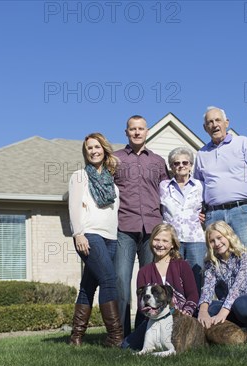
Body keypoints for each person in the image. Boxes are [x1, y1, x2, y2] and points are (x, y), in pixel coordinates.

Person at [193, 106, 247, 335]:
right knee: (217, 269)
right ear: (205, 128)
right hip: (214, 214)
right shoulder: (201, 154)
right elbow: (198, 187)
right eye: (209, 122)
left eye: (217, 120)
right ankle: (235, 326)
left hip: (243, 211)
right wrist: (201, 211)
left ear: (227, 122)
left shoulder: (243, 143)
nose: (214, 125)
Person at [114, 115, 169, 336]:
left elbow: (168, 194)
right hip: (124, 227)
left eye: (141, 129)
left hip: (152, 232)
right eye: (132, 129)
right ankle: (120, 334)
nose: (137, 132)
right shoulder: (115, 160)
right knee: (121, 281)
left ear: (147, 132)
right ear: (126, 132)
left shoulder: (157, 162)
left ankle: (144, 331)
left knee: (150, 283)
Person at [68, 132, 123, 347]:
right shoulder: (80, 176)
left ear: (104, 149)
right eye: (89, 148)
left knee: (88, 286)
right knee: (109, 280)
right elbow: (73, 207)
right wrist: (78, 233)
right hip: (89, 235)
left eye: (97, 147)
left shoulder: (112, 183)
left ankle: (76, 337)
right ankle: (115, 337)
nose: (93, 151)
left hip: (111, 237)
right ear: (86, 153)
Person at [122, 223, 199, 350]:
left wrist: (187, 312)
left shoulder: (182, 265)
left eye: (165, 240)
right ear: (152, 241)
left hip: (179, 317)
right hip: (153, 319)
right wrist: (151, 313)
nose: (160, 244)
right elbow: (141, 301)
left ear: (172, 244)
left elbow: (193, 294)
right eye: (156, 239)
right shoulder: (144, 271)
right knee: (126, 346)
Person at [198, 221, 247, 340]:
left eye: (219, 238)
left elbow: (237, 288)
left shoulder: (244, 256)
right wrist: (203, 311)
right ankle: (236, 330)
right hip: (227, 305)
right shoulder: (212, 262)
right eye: (212, 241)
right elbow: (207, 289)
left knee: (241, 305)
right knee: (208, 309)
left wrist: (223, 312)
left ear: (228, 235)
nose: (217, 243)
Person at [159, 146, 205, 294]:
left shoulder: (200, 185)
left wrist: (205, 215)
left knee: (196, 278)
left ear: (191, 165)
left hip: (196, 239)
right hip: (172, 240)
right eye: (176, 163)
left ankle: (196, 314)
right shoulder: (164, 186)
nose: (181, 166)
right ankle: (176, 313)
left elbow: (209, 207)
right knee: (173, 279)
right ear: (171, 166)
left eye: (185, 163)